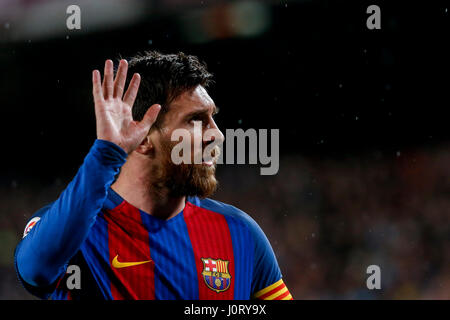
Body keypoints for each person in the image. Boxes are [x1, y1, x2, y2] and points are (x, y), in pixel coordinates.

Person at [14, 51, 293, 300]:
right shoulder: (76, 232)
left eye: (213, 118)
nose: (217, 134)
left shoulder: (240, 233)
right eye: (196, 120)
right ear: (144, 138)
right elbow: (35, 269)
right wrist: (106, 155)